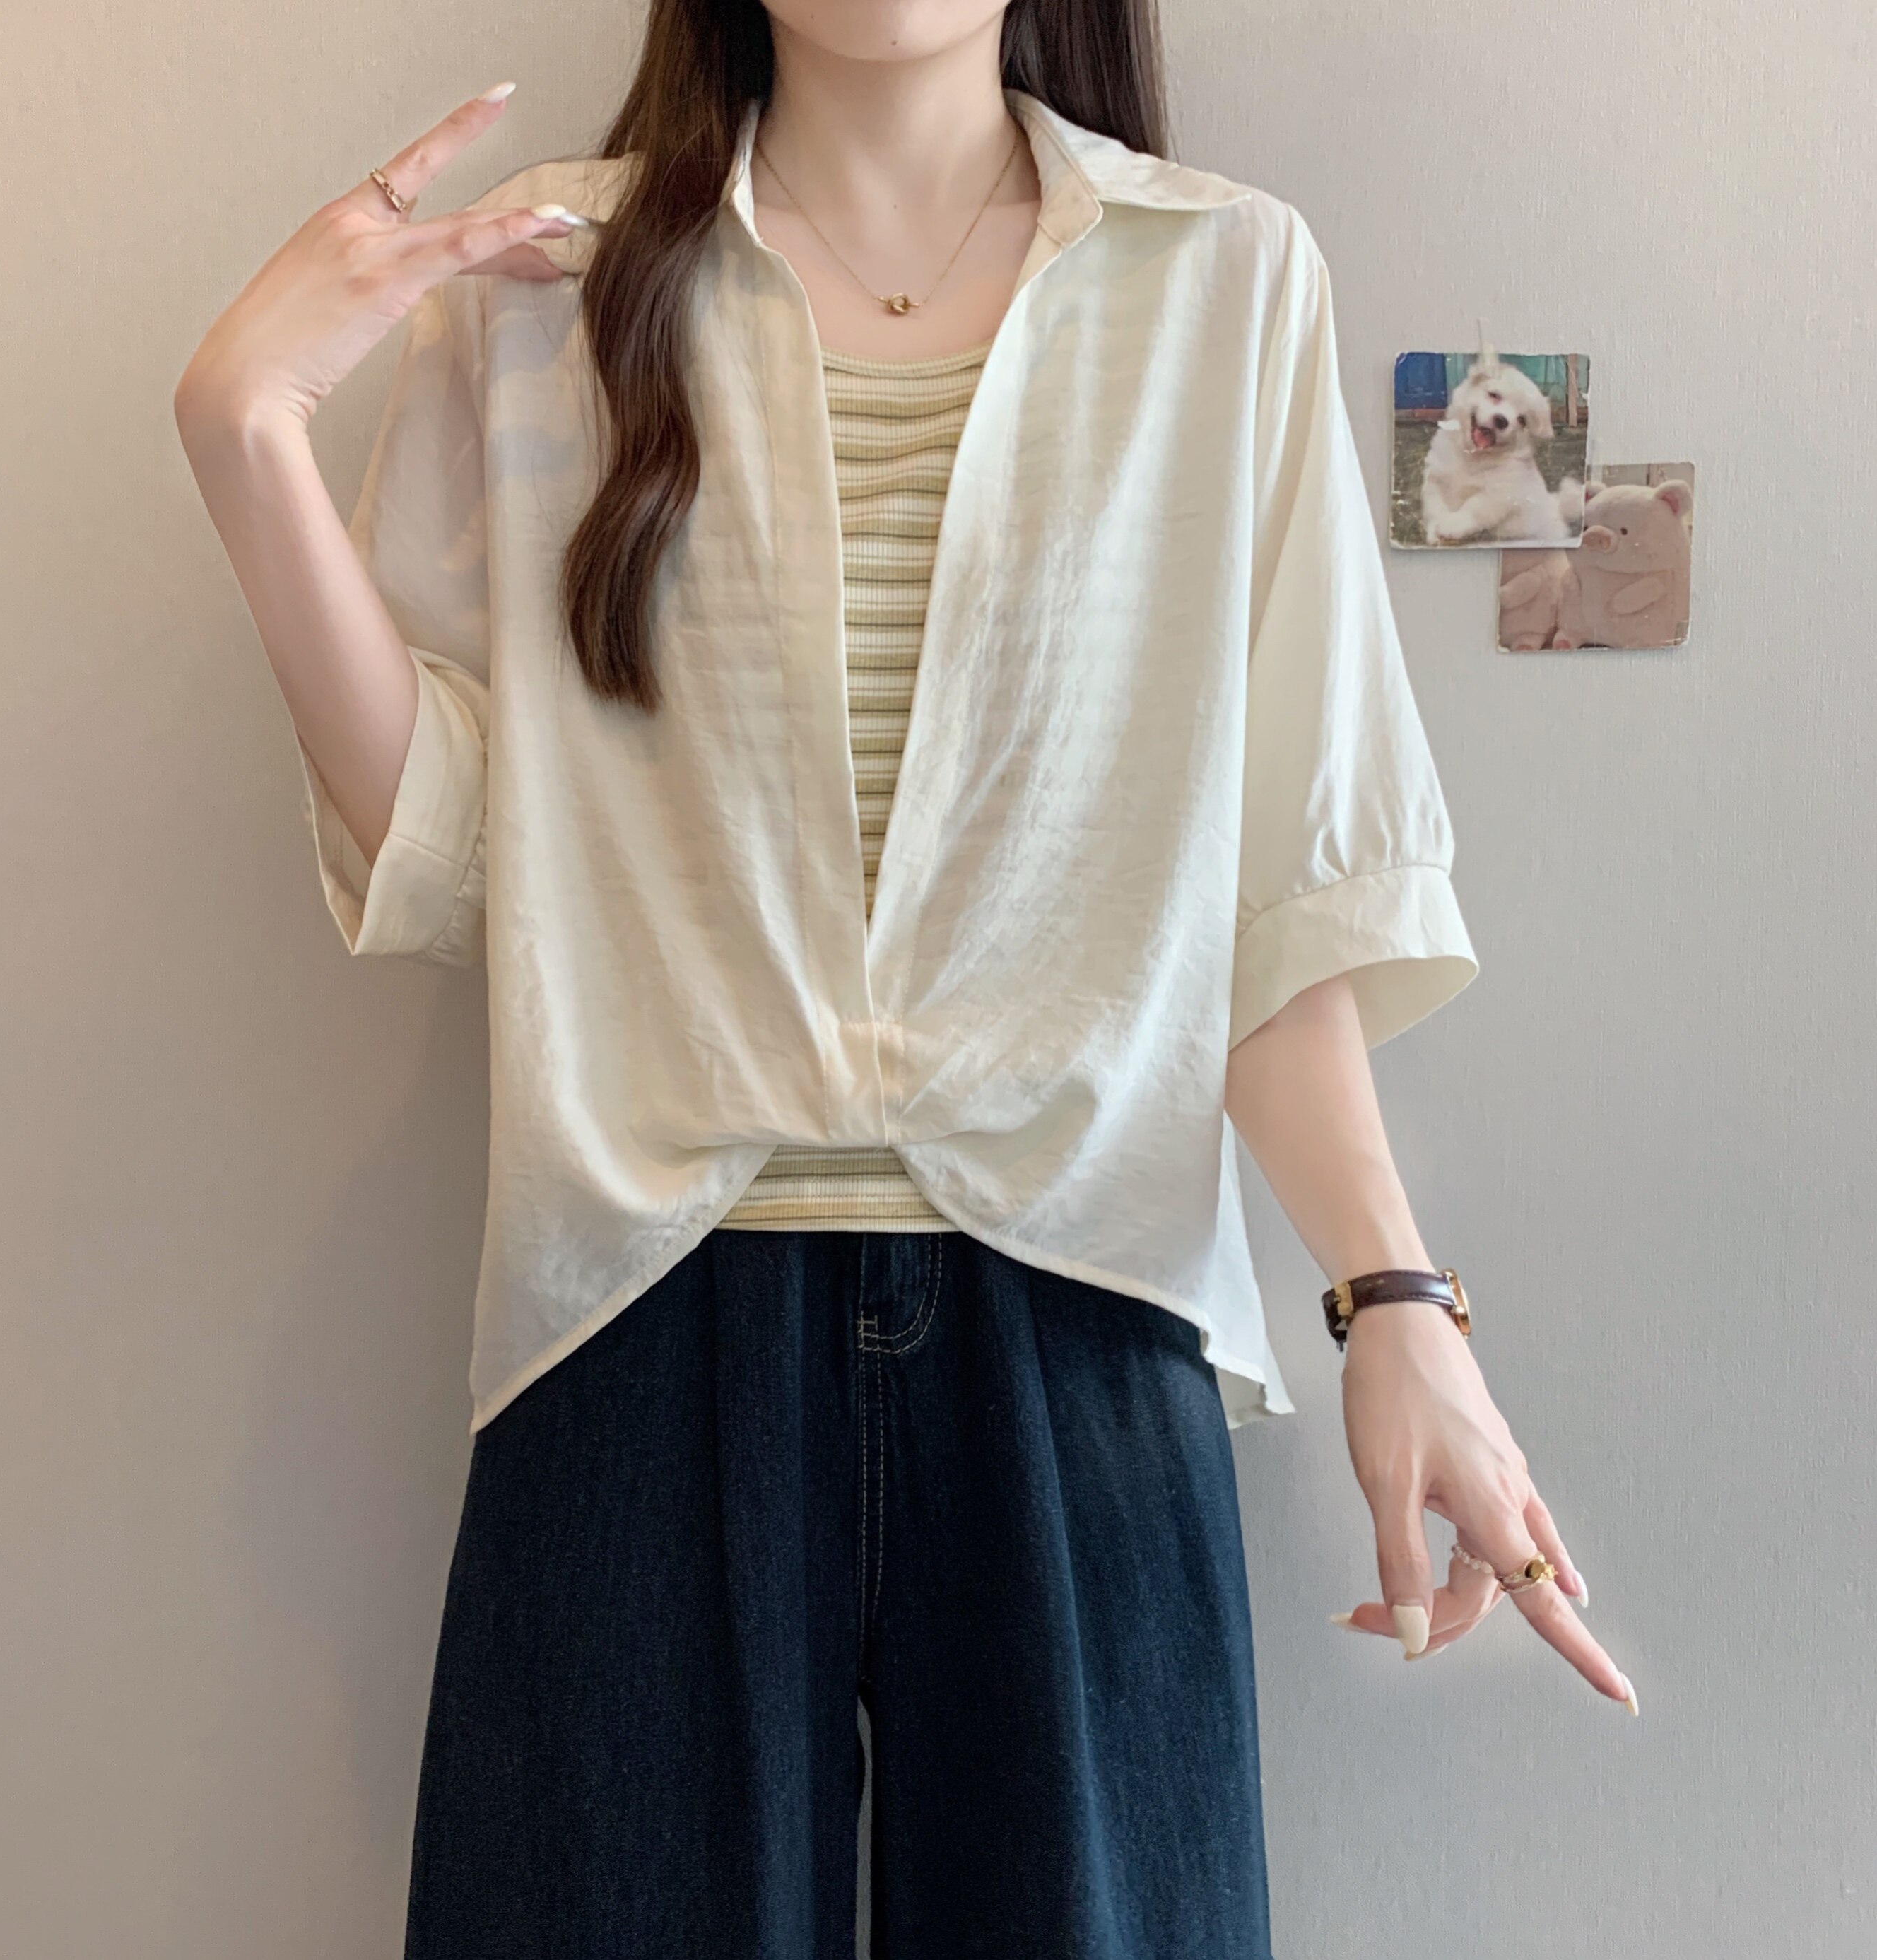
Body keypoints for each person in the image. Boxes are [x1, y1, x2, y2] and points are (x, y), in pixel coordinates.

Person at [175, 3, 1635, 1953]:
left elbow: (1280, 880)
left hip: (1082, 1310)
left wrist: (1396, 1301)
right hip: (637, 1306)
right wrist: (245, 435)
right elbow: (454, 850)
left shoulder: (1222, 277)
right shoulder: (540, 275)